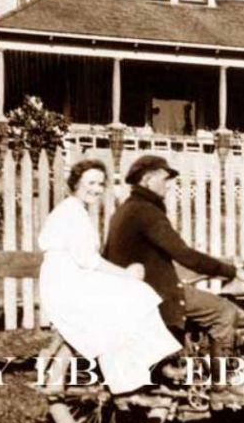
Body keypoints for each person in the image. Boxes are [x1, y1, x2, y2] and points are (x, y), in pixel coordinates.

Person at [104, 155, 244, 408]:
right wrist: (234, 272)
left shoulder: (124, 211)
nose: (168, 185)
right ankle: (220, 389)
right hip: (157, 295)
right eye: (165, 179)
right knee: (224, 312)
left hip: (135, 292)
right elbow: (184, 254)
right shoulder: (147, 212)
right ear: (148, 179)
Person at [38, 158, 180, 399]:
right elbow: (88, 260)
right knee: (137, 296)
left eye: (100, 184)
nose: (96, 188)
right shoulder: (72, 213)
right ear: (75, 183)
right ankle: (141, 373)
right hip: (68, 282)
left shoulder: (74, 210)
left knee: (129, 300)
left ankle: (145, 366)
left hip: (68, 278)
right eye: (90, 182)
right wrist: (125, 274)